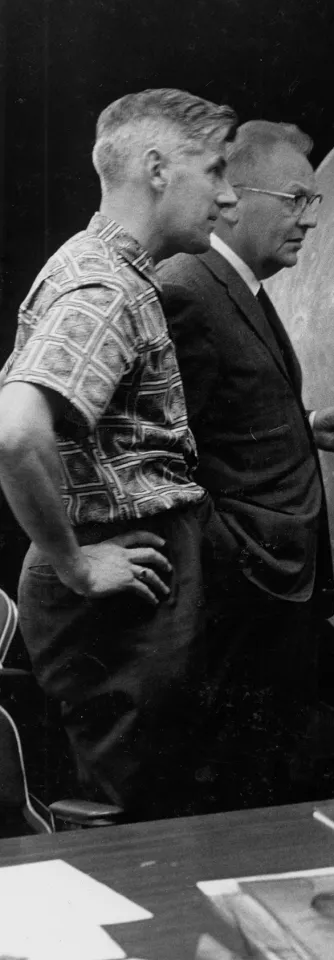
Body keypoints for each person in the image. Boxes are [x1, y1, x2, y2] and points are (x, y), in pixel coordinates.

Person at [0, 88, 237, 819]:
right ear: (158, 168)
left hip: (140, 575)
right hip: (121, 587)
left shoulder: (116, 274)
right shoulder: (103, 287)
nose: (228, 198)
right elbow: (14, 432)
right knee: (140, 828)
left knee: (155, 809)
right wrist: (74, 561)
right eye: (216, 171)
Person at [157, 121, 334, 810]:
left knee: (273, 774)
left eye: (314, 201)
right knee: (239, 784)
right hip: (243, 593)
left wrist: (306, 428)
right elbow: (168, 453)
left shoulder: (238, 286)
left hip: (275, 593)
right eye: (295, 199)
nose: (310, 220)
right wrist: (229, 555)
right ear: (231, 197)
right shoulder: (189, 288)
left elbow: (226, 419)